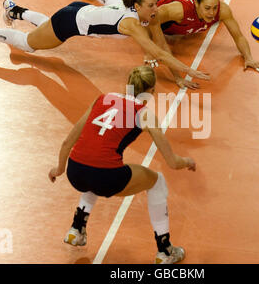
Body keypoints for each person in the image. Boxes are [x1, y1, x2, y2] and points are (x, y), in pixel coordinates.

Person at [48, 65, 196, 264]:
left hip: (75, 171)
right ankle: (165, 251)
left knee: (94, 167)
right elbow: (172, 162)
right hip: (106, 177)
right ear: (151, 91)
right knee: (157, 182)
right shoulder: (144, 114)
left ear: (128, 84)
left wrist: (59, 169)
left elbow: (68, 141)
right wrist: (188, 161)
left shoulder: (102, 99)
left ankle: (76, 228)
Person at [0, 0, 209, 89]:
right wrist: (188, 71)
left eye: (156, 3)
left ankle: (15, 10)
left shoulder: (138, 9)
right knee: (29, 44)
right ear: (137, 6)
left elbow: (162, 46)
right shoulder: (133, 24)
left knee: (45, 26)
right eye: (152, 5)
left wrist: (177, 77)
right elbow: (157, 51)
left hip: (79, 11)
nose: (157, 8)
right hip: (70, 22)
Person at [79, 0, 259, 77]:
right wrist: (149, 50)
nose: (212, 12)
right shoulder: (178, 11)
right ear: (196, 3)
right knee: (120, 8)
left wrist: (248, 57)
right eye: (207, 8)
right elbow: (150, 23)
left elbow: (239, 36)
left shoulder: (221, 10)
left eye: (215, 7)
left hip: (175, 5)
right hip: (160, 13)